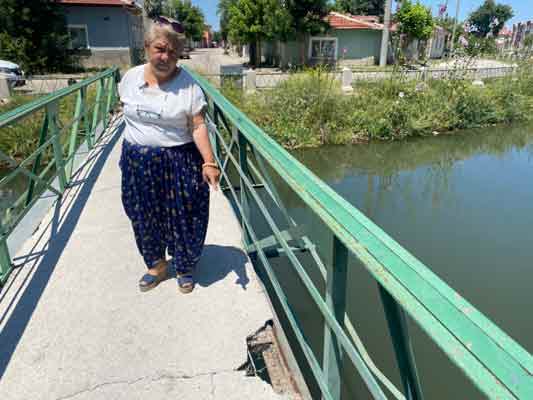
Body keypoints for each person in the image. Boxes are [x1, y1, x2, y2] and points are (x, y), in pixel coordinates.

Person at [118, 22, 220, 294]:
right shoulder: (130, 78)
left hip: (178, 161)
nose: (165, 57)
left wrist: (209, 162)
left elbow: (198, 126)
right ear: (147, 49)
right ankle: (156, 265)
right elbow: (126, 111)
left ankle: (184, 267)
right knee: (142, 215)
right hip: (137, 163)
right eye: (160, 49)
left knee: (185, 215)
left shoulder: (189, 87)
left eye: (172, 52)